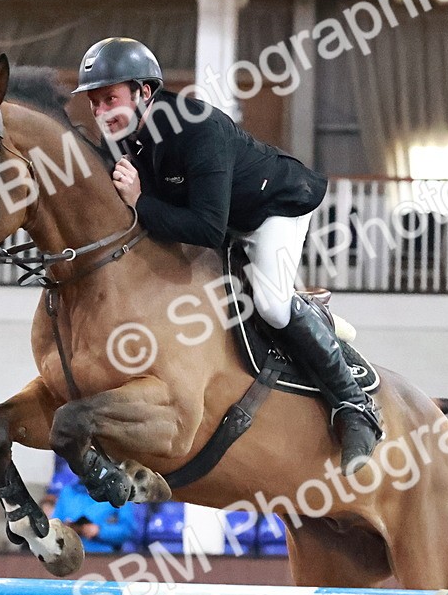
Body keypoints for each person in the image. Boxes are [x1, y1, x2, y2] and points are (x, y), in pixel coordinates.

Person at [72, 37, 382, 475]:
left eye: (111, 99)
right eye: (95, 102)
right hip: (216, 215)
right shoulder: (125, 140)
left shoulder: (197, 127)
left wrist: (140, 201)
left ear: (145, 91)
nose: (103, 112)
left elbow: (206, 229)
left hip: (273, 209)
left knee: (272, 306)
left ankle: (354, 405)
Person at [53, 474, 142, 553]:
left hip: (104, 557)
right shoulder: (67, 491)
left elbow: (128, 530)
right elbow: (53, 527)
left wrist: (99, 531)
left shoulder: (118, 491)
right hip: (70, 554)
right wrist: (66, 529)